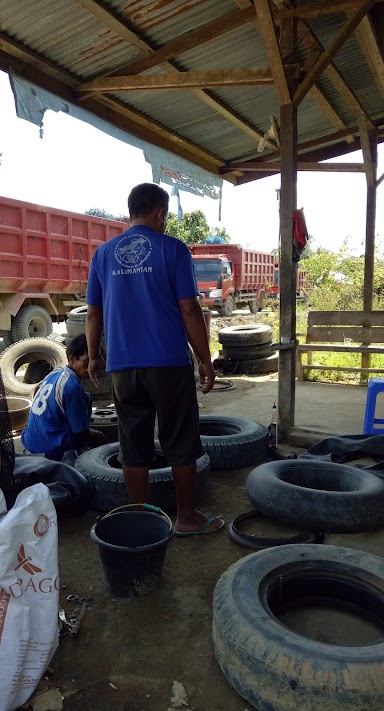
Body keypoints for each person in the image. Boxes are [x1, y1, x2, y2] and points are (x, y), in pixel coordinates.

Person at [86, 182, 224, 536]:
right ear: (160, 212)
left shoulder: (102, 255)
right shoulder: (173, 250)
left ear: (132, 211)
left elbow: (92, 315)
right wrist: (204, 359)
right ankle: (187, 518)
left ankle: (139, 520)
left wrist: (94, 357)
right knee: (179, 439)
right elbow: (190, 310)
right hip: (167, 363)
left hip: (123, 366)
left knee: (133, 442)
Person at [21, 334, 108, 460]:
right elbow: (82, 433)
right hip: (49, 453)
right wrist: (102, 438)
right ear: (72, 359)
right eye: (88, 361)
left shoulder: (55, 373)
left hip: (30, 444)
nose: (93, 366)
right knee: (96, 441)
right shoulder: (72, 386)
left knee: (86, 397)